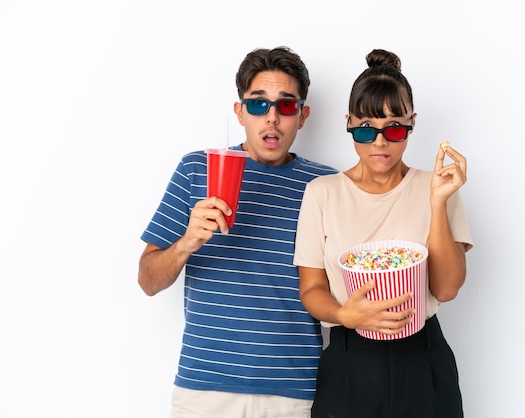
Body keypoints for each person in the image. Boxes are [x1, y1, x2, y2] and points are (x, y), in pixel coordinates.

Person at [138, 46, 338, 418]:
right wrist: (186, 243)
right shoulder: (197, 170)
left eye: (287, 106)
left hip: (294, 392)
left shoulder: (326, 185)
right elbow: (147, 280)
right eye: (259, 105)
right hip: (204, 389)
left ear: (304, 115)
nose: (272, 118)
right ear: (239, 112)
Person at [293, 49, 474, 418]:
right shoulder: (322, 193)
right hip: (349, 360)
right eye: (365, 129)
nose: (379, 143)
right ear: (347, 123)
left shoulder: (437, 186)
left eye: (393, 128)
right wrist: (347, 315)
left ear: (411, 123)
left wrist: (437, 203)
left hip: (423, 357)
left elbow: (446, 289)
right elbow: (311, 290)